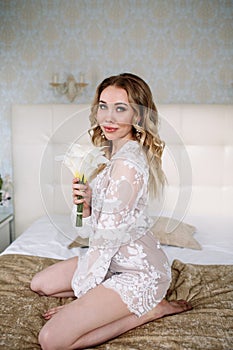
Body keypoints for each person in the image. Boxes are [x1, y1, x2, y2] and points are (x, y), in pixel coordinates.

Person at [30, 73, 192, 349]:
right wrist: (89, 204)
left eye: (120, 108)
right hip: (113, 262)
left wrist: (85, 301)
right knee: (40, 284)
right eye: (103, 106)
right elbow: (94, 231)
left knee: (51, 340)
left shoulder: (127, 164)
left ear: (138, 116)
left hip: (139, 272)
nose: (108, 117)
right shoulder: (111, 156)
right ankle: (116, 297)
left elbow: (103, 241)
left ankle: (153, 309)